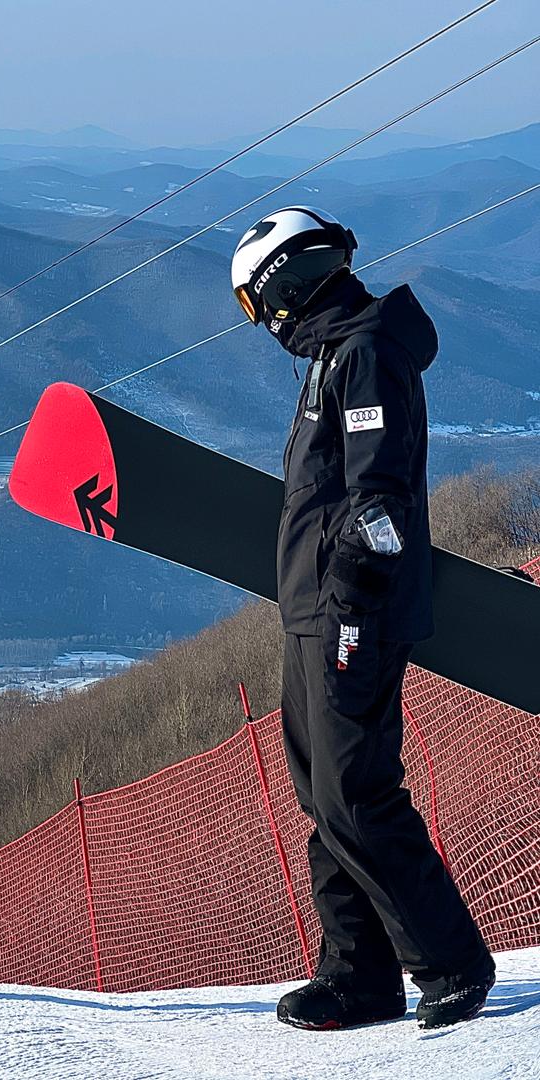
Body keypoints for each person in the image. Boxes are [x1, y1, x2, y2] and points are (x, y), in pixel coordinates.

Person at [230, 208, 495, 1031]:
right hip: (314, 614)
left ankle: (449, 962)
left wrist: (347, 596)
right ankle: (358, 977)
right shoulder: (335, 358)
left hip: (354, 617)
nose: (261, 323)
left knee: (358, 791)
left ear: (284, 287)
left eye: (253, 303)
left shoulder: (366, 355)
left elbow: (376, 504)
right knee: (324, 796)